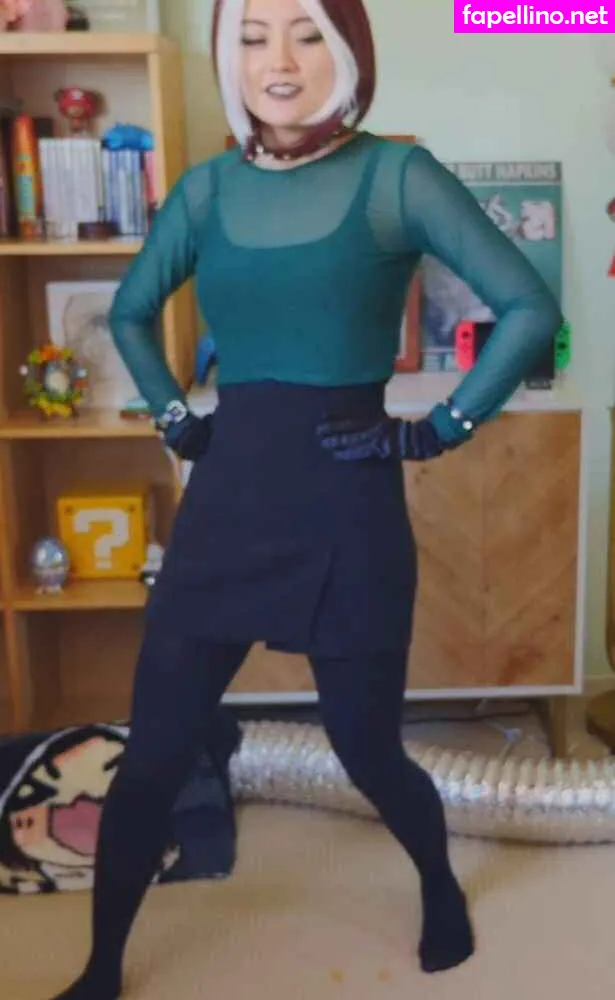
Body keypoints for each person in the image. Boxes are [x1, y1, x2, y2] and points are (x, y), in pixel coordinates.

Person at [48, 0, 563, 996]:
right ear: (227, 57)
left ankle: (439, 884)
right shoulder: (206, 192)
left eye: (303, 32)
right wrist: (173, 416)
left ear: (346, 50)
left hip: (347, 510)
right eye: (252, 35)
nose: (276, 59)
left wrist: (436, 429)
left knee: (367, 751)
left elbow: (528, 309)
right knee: (153, 755)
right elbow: (132, 311)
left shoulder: (396, 176)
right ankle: (101, 968)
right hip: (225, 510)